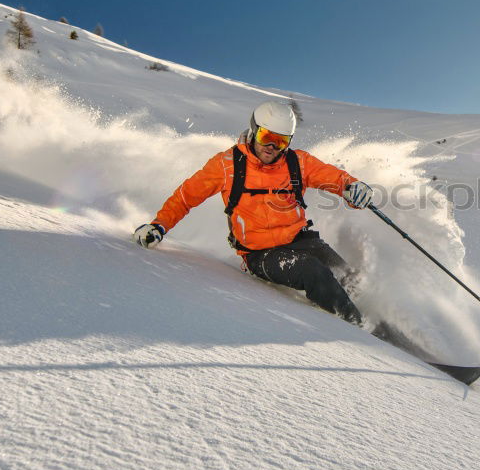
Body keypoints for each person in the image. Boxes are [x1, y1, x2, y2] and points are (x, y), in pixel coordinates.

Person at [133, 101, 373, 325]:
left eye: (280, 142)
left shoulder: (297, 162)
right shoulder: (227, 165)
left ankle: (381, 322)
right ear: (253, 130)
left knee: (348, 276)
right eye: (266, 137)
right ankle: (359, 328)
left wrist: (352, 188)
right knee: (313, 272)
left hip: (301, 240)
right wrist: (159, 225)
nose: (271, 147)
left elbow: (332, 177)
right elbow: (187, 196)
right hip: (260, 254)